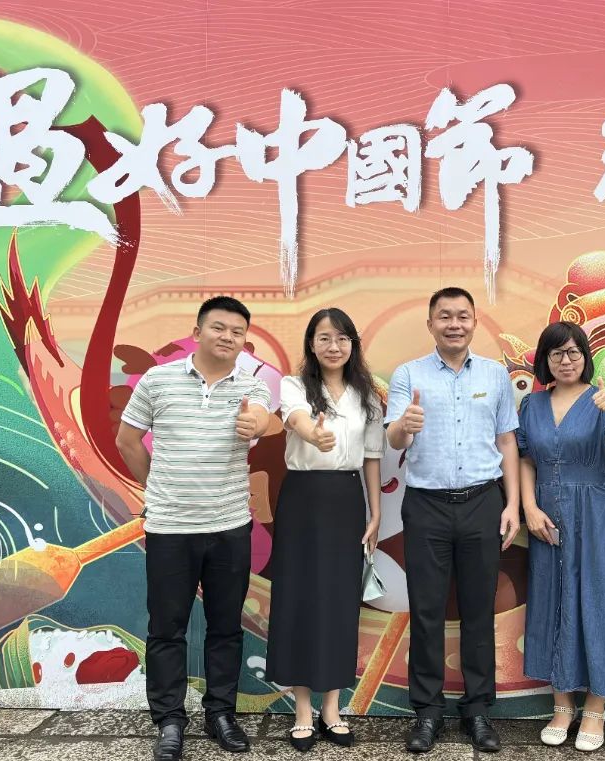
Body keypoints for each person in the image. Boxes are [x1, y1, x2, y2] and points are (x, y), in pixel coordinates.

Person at [116, 296, 272, 761]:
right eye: (219, 328)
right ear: (198, 331)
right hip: (170, 528)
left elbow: (263, 418)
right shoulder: (158, 380)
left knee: (226, 627)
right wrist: (159, 488)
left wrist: (255, 422)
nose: (228, 337)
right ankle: (169, 721)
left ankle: (221, 713)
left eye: (238, 332)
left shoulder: (251, 387)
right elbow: (127, 440)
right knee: (167, 629)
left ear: (244, 341)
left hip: (229, 527)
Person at [385, 286, 521, 754]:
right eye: (444, 316)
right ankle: (427, 712)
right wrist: (404, 426)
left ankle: (477, 710)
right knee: (426, 610)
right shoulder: (409, 374)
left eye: (462, 316)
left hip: (483, 501)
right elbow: (394, 439)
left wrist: (512, 505)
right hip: (426, 506)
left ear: (474, 322)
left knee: (478, 608)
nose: (454, 324)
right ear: (431, 324)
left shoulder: (495, 374)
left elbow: (507, 442)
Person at [517, 322, 605, 752]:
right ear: (545, 360)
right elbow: (526, 459)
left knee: (599, 602)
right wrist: (529, 508)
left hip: (596, 514)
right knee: (552, 601)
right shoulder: (531, 404)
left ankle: (595, 708)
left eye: (573, 352)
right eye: (556, 353)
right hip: (546, 516)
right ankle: (561, 706)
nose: (565, 361)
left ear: (585, 357)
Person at [265, 308, 384, 752]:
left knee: (339, 602)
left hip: (347, 499)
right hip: (302, 498)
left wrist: (375, 514)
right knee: (298, 599)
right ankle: (301, 710)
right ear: (311, 344)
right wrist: (313, 436)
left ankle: (331, 710)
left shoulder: (366, 395)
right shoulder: (294, 385)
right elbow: (296, 418)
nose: (334, 347)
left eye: (342, 338)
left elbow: (372, 457)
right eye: (324, 338)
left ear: (352, 344)